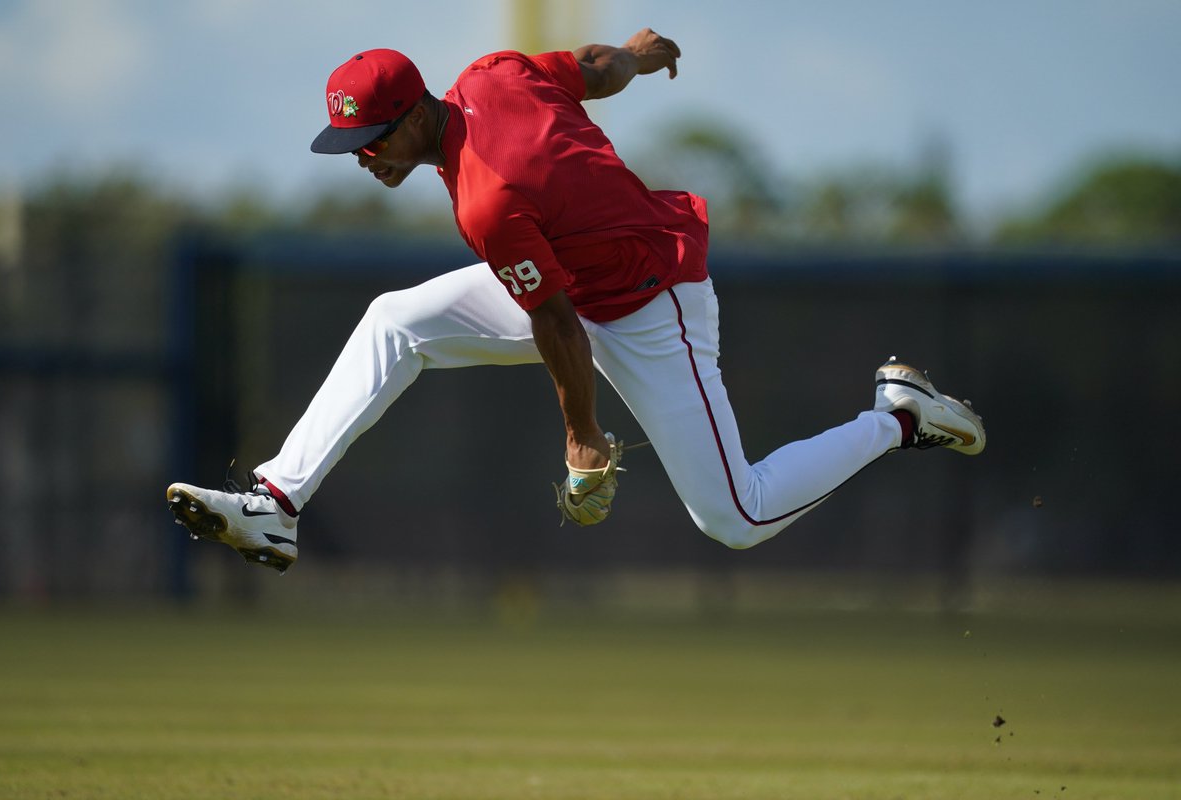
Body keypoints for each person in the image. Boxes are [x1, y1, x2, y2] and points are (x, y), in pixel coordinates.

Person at [166, 28, 985, 574]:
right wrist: (636, 54)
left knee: (738, 514)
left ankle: (899, 418)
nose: (361, 156)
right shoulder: (492, 75)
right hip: (574, 278)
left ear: (414, 115)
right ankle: (275, 503)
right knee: (396, 321)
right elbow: (593, 69)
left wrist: (582, 437)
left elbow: (556, 324)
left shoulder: (488, 199)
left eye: (371, 138)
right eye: (349, 144)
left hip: (650, 302)